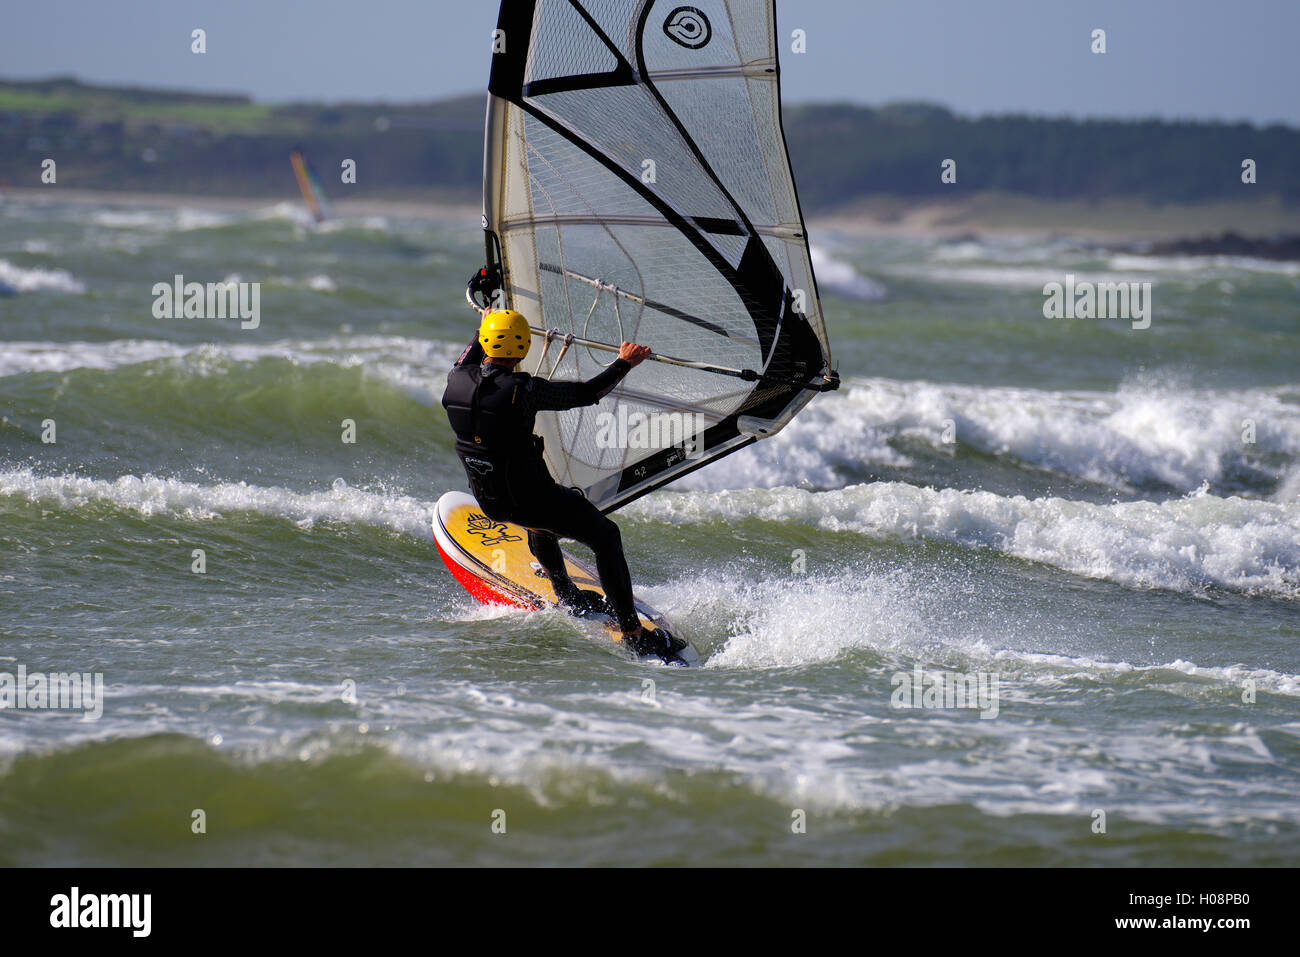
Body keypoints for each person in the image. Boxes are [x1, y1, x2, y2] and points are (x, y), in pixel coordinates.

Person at [442, 308, 686, 663]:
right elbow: (587, 393)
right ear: (524, 346)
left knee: (545, 517)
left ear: (483, 341)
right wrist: (624, 363)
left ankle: (566, 592)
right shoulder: (521, 389)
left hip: (492, 501)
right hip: (530, 500)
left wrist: (485, 324)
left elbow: (473, 351)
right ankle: (633, 634)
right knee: (605, 536)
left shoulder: (456, 378)